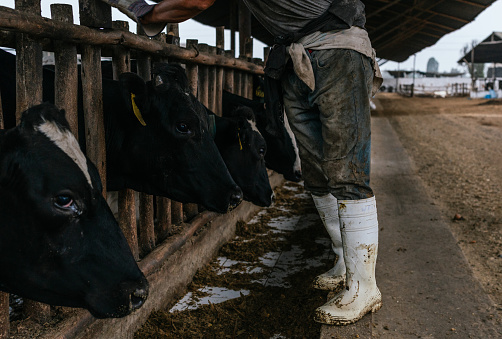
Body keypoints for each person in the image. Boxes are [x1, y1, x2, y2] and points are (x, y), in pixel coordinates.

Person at [105, 0, 383, 326]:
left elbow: (197, 0)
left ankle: (364, 287)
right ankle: (344, 261)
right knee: (317, 170)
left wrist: (145, 13)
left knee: (345, 171)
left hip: (338, 51)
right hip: (296, 58)